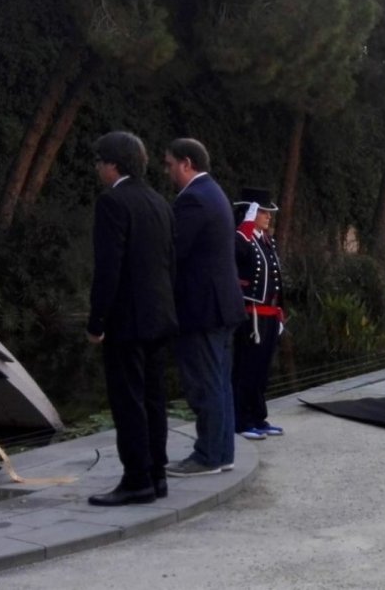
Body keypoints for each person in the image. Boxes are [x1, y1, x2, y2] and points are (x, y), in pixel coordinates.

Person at [85, 131, 177, 506]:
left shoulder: (112, 202)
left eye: (99, 162)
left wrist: (97, 321)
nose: (97, 169)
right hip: (159, 316)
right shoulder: (159, 202)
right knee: (154, 399)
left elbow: (109, 268)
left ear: (113, 164)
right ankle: (157, 474)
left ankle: (136, 478)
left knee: (128, 401)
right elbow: (168, 262)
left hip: (127, 320)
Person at [162, 138, 246, 477]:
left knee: (205, 384)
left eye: (168, 165)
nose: (167, 172)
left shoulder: (194, 199)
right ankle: (221, 452)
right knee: (220, 384)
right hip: (221, 307)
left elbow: (173, 251)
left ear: (186, 163)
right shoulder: (214, 193)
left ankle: (208, 455)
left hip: (203, 309)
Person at [231, 187, 286, 441]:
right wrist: (244, 227)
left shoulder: (265, 240)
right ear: (251, 212)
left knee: (262, 370)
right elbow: (235, 254)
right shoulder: (242, 239)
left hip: (269, 315)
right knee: (246, 369)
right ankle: (241, 420)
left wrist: (280, 311)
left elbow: (276, 280)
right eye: (263, 212)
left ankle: (258, 416)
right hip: (250, 315)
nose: (268, 216)